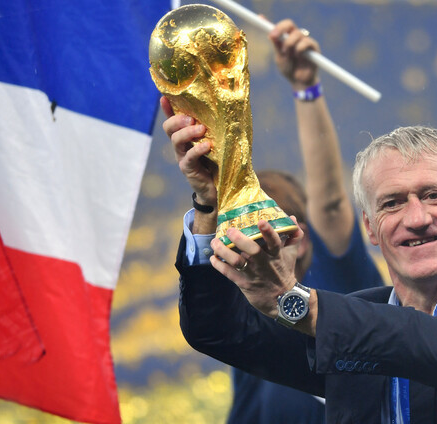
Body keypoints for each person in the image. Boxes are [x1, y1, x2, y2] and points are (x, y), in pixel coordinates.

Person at [177, 123, 437, 422]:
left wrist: (296, 302)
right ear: (369, 227)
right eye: (392, 203)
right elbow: (219, 331)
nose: (417, 218)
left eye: (434, 195)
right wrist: (209, 204)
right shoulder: (348, 322)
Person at [163, 20, 383, 424]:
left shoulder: (341, 282)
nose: (259, 236)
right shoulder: (239, 309)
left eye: (275, 220)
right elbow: (206, 325)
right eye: (243, 224)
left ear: (305, 235)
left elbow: (331, 201)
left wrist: (306, 88)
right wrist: (209, 201)